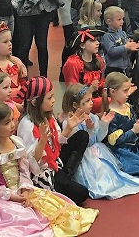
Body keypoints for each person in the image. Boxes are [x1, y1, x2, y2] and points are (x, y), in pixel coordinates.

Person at [0, 101, 98, 236]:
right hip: (1, 195)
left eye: (12, 120)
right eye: (7, 123)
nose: (13, 125)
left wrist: (25, 190)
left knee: (52, 209)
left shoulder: (17, 142)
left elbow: (25, 171)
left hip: (21, 189)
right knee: (21, 219)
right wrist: (13, 196)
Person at [62, 83, 139, 199]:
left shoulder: (93, 117)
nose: (91, 103)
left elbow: (98, 138)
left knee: (111, 174)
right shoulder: (69, 123)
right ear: (75, 105)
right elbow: (81, 144)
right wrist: (89, 129)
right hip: (84, 157)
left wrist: (103, 124)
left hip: (97, 151)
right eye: (86, 101)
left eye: (91, 99)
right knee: (97, 179)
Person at [16, 77, 90, 205]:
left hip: (55, 161)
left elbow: (56, 143)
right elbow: (30, 164)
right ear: (35, 102)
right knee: (82, 193)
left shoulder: (47, 116)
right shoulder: (27, 125)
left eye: (53, 96)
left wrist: (68, 128)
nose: (54, 100)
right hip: (42, 171)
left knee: (82, 136)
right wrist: (42, 142)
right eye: (49, 98)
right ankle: (61, 183)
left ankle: (66, 176)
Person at [102, 6, 139, 75]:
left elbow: (126, 50)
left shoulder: (123, 33)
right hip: (114, 69)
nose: (122, 21)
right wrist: (126, 47)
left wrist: (131, 47)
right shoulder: (107, 36)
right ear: (109, 21)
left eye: (122, 19)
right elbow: (111, 51)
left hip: (125, 67)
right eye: (119, 19)